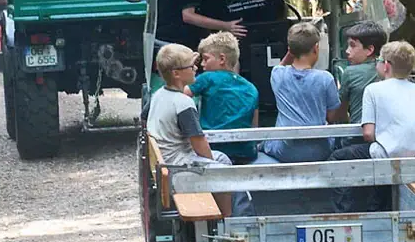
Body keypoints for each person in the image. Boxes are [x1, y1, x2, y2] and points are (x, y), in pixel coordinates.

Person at [330, 40, 415, 211]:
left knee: (338, 158)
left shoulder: (373, 90)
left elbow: (368, 134)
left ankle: (345, 211)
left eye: (379, 61)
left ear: (386, 65)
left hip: (389, 154)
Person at [146, 43, 252, 216]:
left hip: (165, 161)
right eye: (191, 66)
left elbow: (144, 118)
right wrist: (211, 167)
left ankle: (222, 212)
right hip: (177, 166)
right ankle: (226, 219)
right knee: (228, 174)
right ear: (177, 74)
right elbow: (199, 144)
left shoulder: (158, 95)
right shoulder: (183, 103)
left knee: (223, 159)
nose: (196, 68)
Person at [261, 22, 343, 164]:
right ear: (316, 48)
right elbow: (331, 117)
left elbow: (281, 65)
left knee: (265, 143)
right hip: (319, 151)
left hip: (284, 151)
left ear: (290, 50)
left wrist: (292, 52)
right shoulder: (326, 78)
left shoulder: (278, 75)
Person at [191, 32, 260, 165]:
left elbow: (180, 92)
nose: (202, 64)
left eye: (205, 59)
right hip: (245, 153)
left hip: (213, 150)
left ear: (222, 59)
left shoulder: (207, 78)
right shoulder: (251, 88)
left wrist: (189, 67)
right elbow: (255, 125)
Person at [330, 20, 387, 125]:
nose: (347, 51)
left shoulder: (350, 72)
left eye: (352, 46)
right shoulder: (388, 69)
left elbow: (339, 113)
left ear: (369, 50)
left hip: (358, 132)